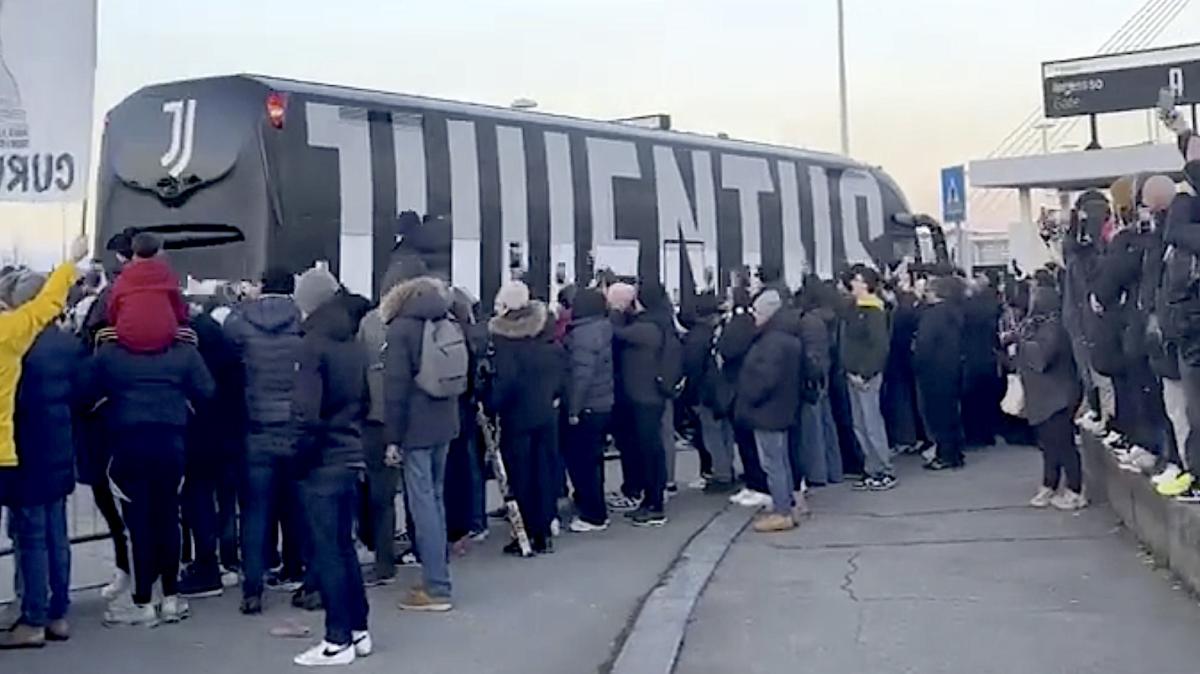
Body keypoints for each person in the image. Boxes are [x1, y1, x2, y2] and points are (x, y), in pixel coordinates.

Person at [84, 304, 215, 627]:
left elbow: (84, 394)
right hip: (171, 442)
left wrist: (109, 405)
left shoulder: (110, 354)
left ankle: (142, 601)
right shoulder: (183, 351)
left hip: (127, 444)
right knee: (169, 517)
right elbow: (208, 390)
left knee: (137, 524)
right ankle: (170, 598)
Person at [289, 267, 372, 667]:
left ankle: (337, 638)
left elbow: (306, 414)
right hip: (350, 451)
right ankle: (358, 629)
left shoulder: (311, 345)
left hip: (322, 460)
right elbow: (366, 401)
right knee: (344, 548)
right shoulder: (352, 341)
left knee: (328, 552)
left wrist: (299, 459)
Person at [0, 272, 85, 649]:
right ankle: (58, 613)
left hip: (24, 452)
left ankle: (32, 616)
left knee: (29, 536)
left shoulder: (18, 343)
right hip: (60, 447)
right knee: (56, 534)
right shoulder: (67, 345)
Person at [224, 268, 306, 614]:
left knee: (255, 511)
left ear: (262, 287)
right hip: (294, 427)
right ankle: (296, 569)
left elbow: (227, 365)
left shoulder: (239, 322)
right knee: (296, 506)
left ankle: (253, 589)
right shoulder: (303, 321)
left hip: (255, 427)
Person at [381, 270, 461, 612]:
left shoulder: (402, 329)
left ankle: (437, 587)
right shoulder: (447, 320)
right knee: (436, 500)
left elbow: (395, 388)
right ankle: (437, 572)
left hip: (415, 429)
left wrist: (392, 439)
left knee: (422, 504)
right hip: (445, 423)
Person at [488, 281, 567, 552]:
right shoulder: (546, 333)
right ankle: (544, 530)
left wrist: (491, 403)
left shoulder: (506, 341)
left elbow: (504, 384)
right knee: (544, 472)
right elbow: (561, 373)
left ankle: (525, 532)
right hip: (546, 413)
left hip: (518, 417)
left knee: (521, 476)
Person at [736, 289, 805, 532]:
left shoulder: (771, 342)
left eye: (756, 311)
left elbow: (764, 379)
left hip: (768, 411)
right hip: (783, 408)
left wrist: (747, 396)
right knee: (781, 460)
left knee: (773, 463)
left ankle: (782, 511)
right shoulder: (789, 337)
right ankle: (788, 503)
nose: (753, 316)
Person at [1015, 285, 1086, 510]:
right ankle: (1049, 483)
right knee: (1049, 445)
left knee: (1063, 444)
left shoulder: (1053, 328)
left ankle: (1075, 491)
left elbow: (1041, 359)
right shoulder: (1042, 326)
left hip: (1056, 396)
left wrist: (1020, 343)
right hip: (1044, 397)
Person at [610, 282, 673, 527]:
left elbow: (617, 332)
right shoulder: (658, 321)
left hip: (646, 397)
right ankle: (649, 500)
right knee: (647, 450)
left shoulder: (649, 327)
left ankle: (655, 505)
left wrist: (616, 309)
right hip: (646, 396)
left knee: (650, 451)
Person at [563, 287, 615, 531]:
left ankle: (593, 514)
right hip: (603, 401)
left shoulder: (583, 335)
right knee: (594, 458)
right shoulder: (604, 328)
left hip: (588, 405)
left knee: (582, 460)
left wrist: (573, 409)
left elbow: (581, 376)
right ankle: (592, 505)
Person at [840, 266, 894, 489]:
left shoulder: (874, 310)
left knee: (871, 423)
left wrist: (865, 372)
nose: (853, 283)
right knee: (859, 425)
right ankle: (871, 468)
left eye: (858, 280)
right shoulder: (854, 308)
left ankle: (884, 469)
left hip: (865, 376)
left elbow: (879, 347)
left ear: (867, 284)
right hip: (852, 373)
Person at [915, 275, 967, 471]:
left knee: (937, 414)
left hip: (933, 370)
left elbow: (924, 344)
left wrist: (917, 362)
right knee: (951, 412)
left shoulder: (932, 315)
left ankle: (944, 455)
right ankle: (955, 452)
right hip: (952, 367)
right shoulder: (955, 311)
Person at [686, 291, 736, 494]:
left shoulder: (696, 337)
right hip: (726, 389)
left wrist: (692, 396)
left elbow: (692, 368)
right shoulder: (724, 331)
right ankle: (728, 468)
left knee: (712, 434)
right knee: (725, 432)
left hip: (706, 392)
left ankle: (721, 474)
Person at [105, 232, 189, 354]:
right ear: (157, 252)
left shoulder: (121, 280)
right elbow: (180, 311)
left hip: (128, 339)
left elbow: (112, 312)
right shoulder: (169, 277)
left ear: (134, 252)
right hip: (165, 339)